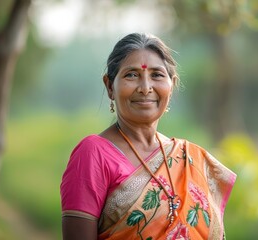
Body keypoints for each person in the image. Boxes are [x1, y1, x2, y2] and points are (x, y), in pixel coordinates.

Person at [60, 33, 237, 240]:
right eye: (131, 75)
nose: (145, 88)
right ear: (109, 86)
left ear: (172, 85)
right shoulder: (93, 154)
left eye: (157, 75)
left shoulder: (187, 157)